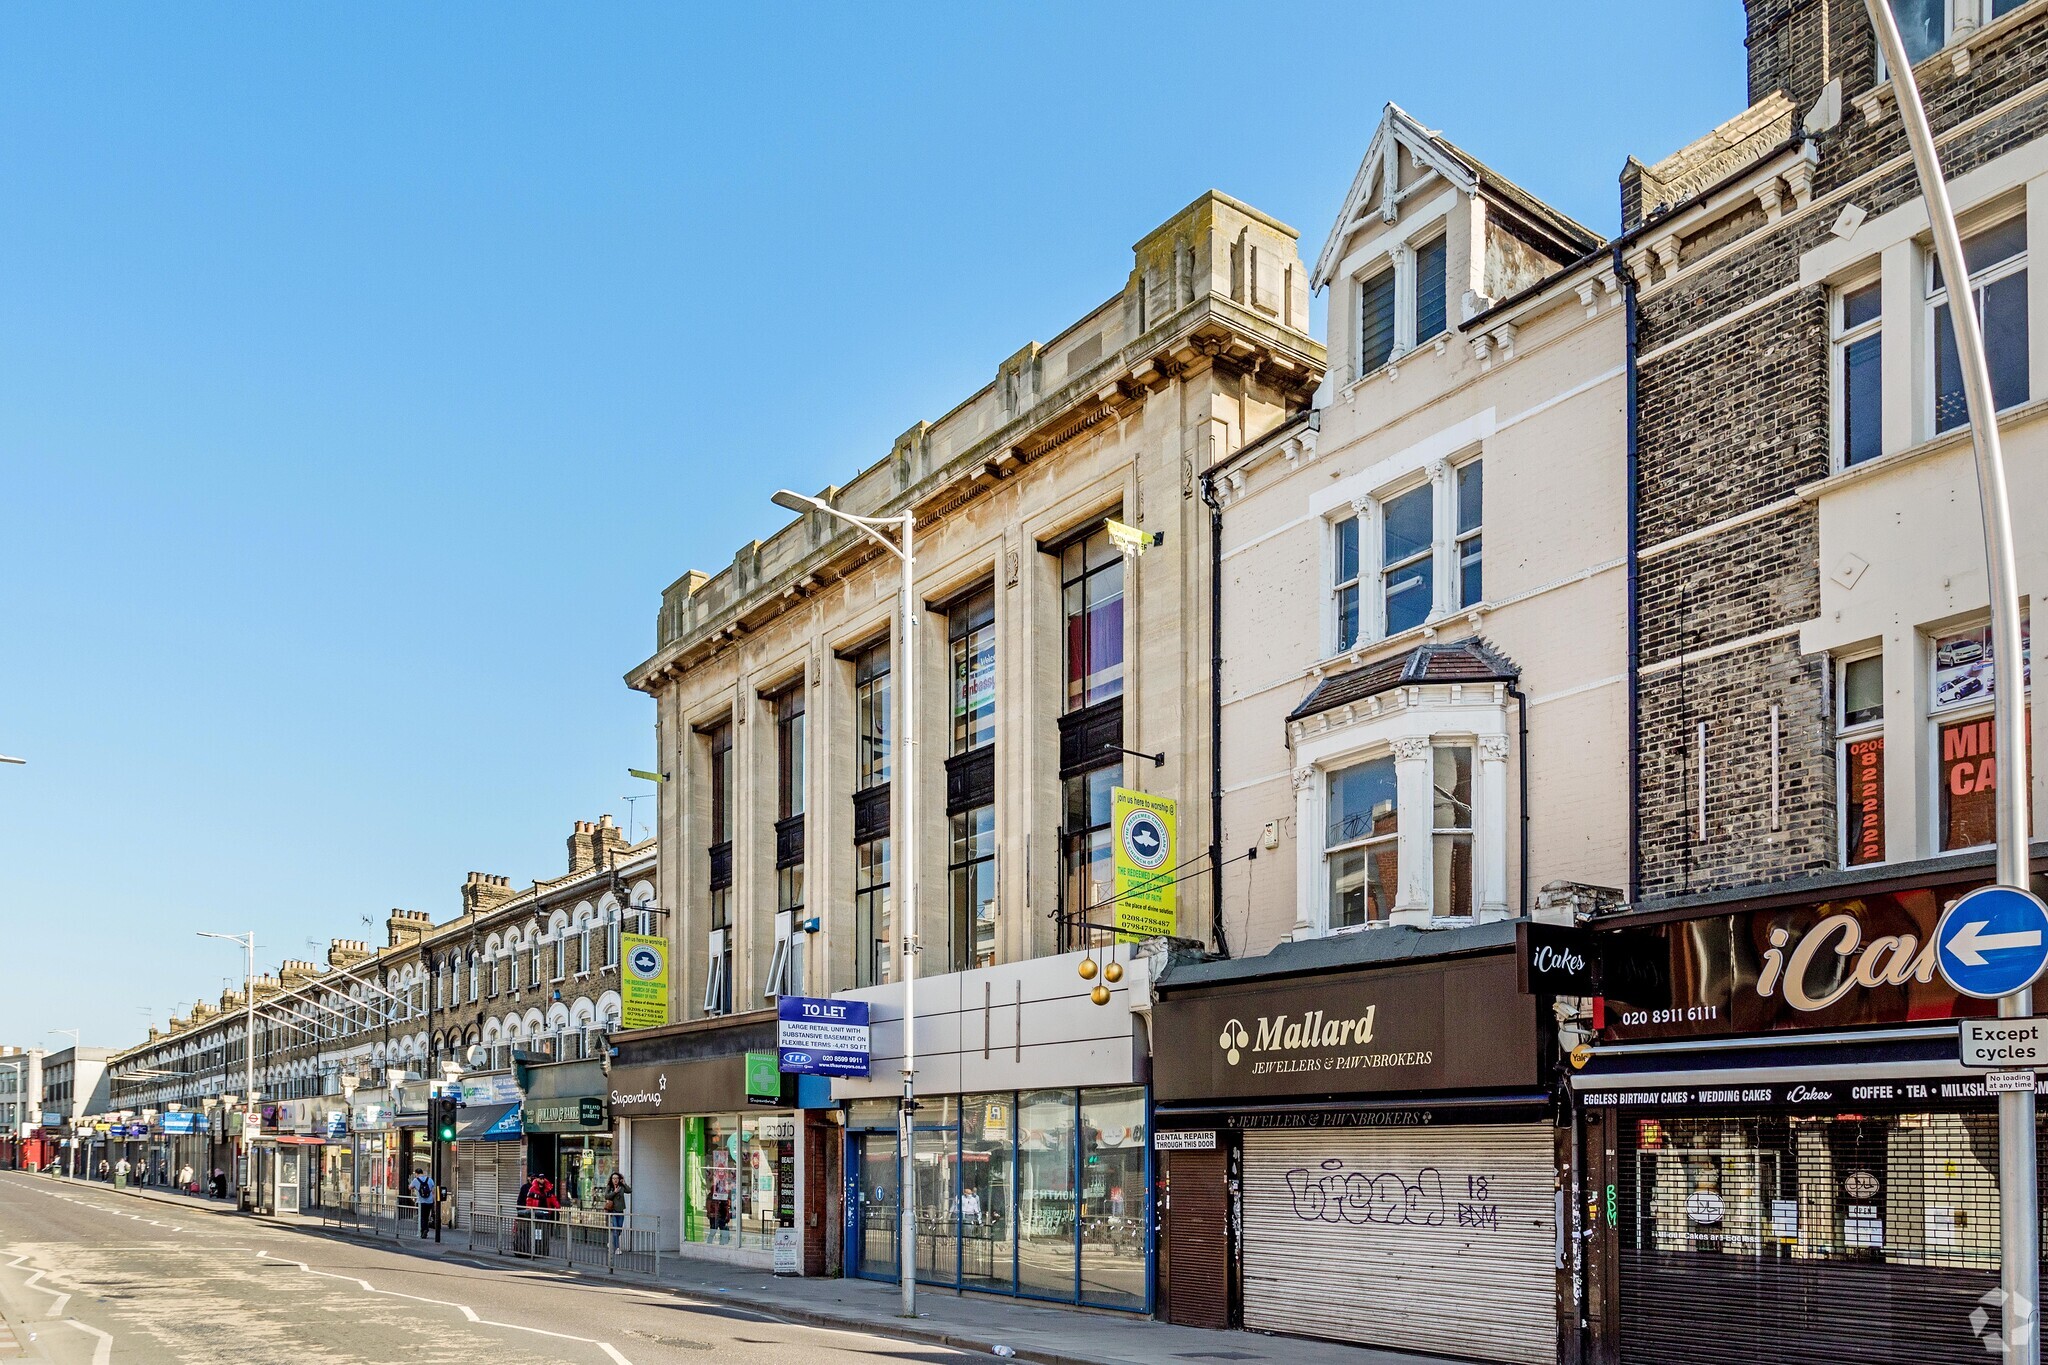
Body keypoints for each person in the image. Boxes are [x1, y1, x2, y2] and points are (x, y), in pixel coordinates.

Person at [602, 1171, 633, 1253]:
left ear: (619, 1179)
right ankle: (617, 1248)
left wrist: (624, 1183)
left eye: (617, 1178)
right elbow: (606, 1196)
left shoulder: (622, 1187)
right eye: (613, 1178)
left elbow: (629, 1191)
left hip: (620, 1210)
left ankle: (611, 1241)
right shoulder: (610, 1187)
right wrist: (614, 1192)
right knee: (615, 1229)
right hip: (613, 1211)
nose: (615, 1180)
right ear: (611, 1179)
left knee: (619, 1230)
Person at [409, 1166, 436, 1237]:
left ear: (416, 1174)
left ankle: (423, 1230)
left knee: (421, 1217)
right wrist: (434, 1201)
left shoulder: (416, 1180)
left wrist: (415, 1186)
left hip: (421, 1202)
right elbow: (433, 1191)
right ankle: (425, 1229)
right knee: (426, 1216)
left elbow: (410, 1187)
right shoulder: (430, 1179)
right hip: (429, 1201)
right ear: (422, 1173)